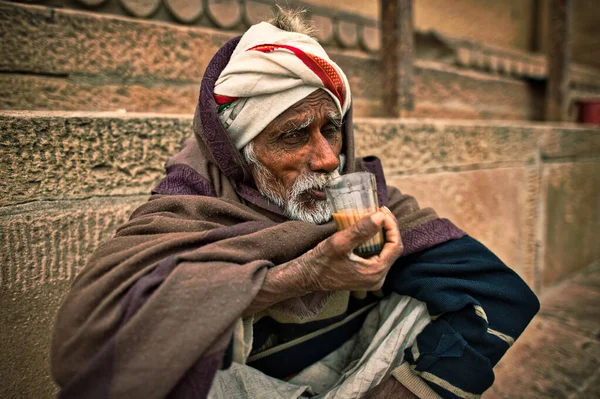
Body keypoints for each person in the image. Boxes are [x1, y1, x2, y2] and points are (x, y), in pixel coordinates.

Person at [50, 9, 539, 399]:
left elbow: (498, 293)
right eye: (293, 135)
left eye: (330, 129)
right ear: (238, 151)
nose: (328, 160)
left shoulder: (361, 193)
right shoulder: (189, 210)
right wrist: (306, 275)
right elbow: (94, 348)